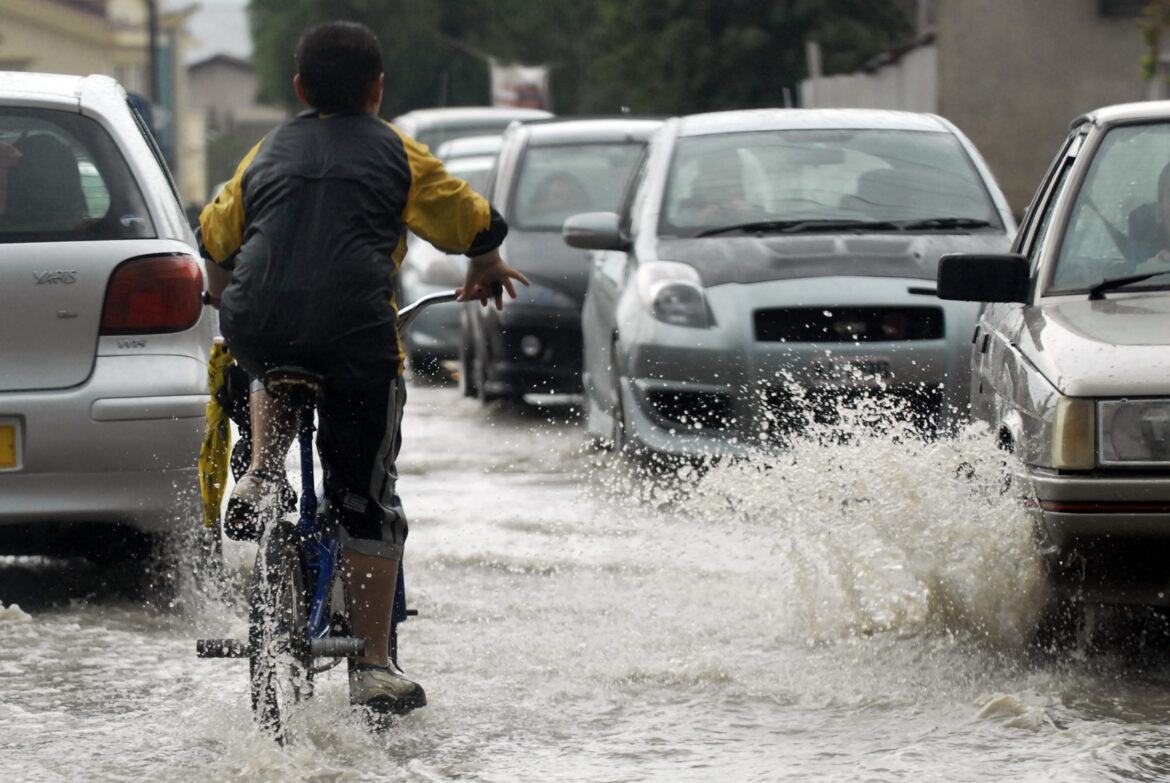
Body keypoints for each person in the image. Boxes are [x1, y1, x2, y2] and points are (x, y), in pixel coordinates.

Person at [198, 20, 529, 719]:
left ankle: (261, 471)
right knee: (367, 500)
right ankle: (374, 664)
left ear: (298, 90)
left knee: (267, 356)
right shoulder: (394, 151)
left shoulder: (266, 151)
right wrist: (486, 259)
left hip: (258, 322)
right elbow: (471, 218)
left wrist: (227, 296)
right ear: (379, 90)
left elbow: (215, 235)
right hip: (354, 336)